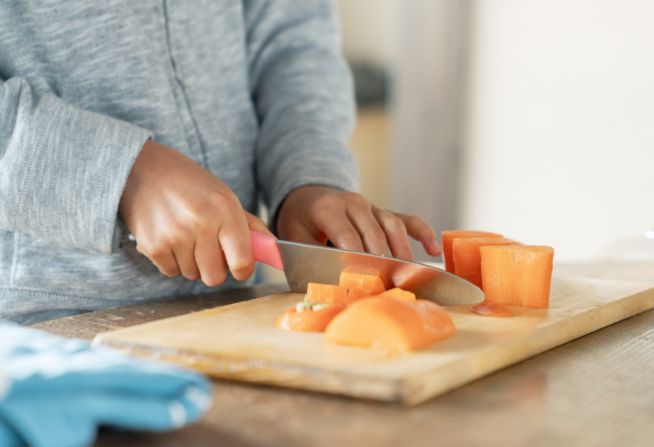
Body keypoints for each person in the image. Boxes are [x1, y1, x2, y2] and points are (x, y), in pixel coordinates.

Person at [0, 0, 441, 324]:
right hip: (40, 338)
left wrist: (310, 176)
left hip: (233, 309)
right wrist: (119, 175)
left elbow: (291, 39)